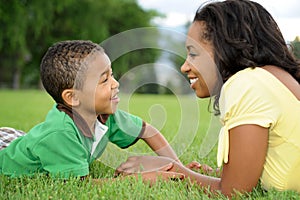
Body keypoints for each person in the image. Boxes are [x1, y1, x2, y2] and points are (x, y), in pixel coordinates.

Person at [115, 0, 300, 197]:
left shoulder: (247, 83)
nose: (184, 67)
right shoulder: (272, 76)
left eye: (193, 54)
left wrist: (171, 169)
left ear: (227, 47)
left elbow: (234, 192)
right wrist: (213, 174)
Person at [0, 40, 182, 180]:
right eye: (104, 80)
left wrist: (179, 166)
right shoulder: (61, 134)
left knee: (29, 142)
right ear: (73, 98)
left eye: (112, 75)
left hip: (21, 139)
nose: (115, 83)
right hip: (5, 154)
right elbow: (78, 184)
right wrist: (142, 179)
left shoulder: (104, 114)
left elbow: (147, 131)